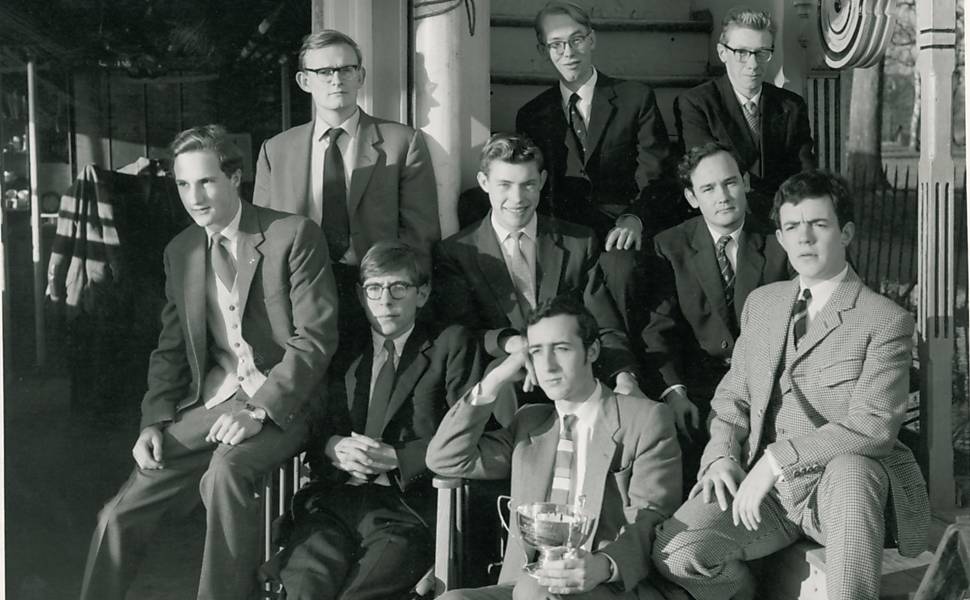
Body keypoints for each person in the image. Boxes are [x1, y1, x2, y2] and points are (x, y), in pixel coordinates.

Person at [79, 124, 339, 600]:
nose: (194, 196)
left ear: (234, 177)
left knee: (226, 472)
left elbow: (315, 340)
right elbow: (171, 347)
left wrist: (259, 409)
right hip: (217, 401)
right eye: (183, 184)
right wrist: (154, 419)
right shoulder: (180, 251)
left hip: (288, 400)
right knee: (121, 511)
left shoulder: (292, 234)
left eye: (206, 181)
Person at [651, 171, 930, 600]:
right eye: (793, 228)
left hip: (837, 492)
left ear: (846, 232)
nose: (805, 239)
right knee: (678, 551)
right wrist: (722, 456)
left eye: (819, 225)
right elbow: (732, 397)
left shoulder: (884, 319)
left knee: (853, 469)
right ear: (779, 238)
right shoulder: (763, 304)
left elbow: (874, 427)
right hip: (767, 496)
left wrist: (776, 461)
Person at [262, 240, 485, 600]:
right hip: (333, 501)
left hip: (405, 510)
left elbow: (470, 435)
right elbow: (314, 424)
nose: (386, 300)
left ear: (422, 293)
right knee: (304, 588)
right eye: (375, 288)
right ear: (361, 294)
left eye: (399, 287)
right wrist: (332, 446)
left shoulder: (451, 345)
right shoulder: (341, 348)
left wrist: (399, 458)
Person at [428, 294, 681, 600]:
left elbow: (652, 516)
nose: (547, 366)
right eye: (536, 352)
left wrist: (604, 565)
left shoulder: (644, 418)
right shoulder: (530, 422)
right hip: (523, 585)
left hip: (606, 586)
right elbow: (445, 458)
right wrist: (495, 379)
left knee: (535, 592)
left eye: (561, 349)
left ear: (592, 350)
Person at [432, 132, 643, 423]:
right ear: (484, 183)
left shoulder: (577, 242)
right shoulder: (457, 252)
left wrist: (624, 375)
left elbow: (604, 324)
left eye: (528, 185)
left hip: (573, 381)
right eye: (504, 185)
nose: (517, 199)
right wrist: (513, 343)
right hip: (510, 386)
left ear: (542, 181)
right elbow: (463, 331)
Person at [253, 29, 439, 333]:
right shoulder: (276, 150)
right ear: (304, 81)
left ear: (360, 76)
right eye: (324, 71)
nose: (336, 79)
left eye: (346, 69)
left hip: (375, 295)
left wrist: (403, 301)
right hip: (299, 295)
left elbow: (421, 234)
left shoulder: (400, 143)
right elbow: (263, 239)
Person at [638, 142, 790, 493]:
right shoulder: (669, 246)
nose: (722, 196)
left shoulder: (779, 241)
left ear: (746, 182)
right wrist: (674, 392)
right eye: (708, 188)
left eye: (730, 182)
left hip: (769, 388)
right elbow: (658, 331)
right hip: (697, 390)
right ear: (692, 197)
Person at [515, 1, 673, 248]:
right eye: (556, 44)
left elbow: (655, 174)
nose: (568, 52)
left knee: (623, 275)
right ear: (543, 50)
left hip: (621, 229)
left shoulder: (635, 98)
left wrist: (635, 218)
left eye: (576, 39)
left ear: (592, 40)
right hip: (562, 235)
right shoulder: (532, 114)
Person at [674, 8, 814, 219]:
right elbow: (710, 171)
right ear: (723, 53)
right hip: (725, 215)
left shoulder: (791, 105)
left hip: (784, 215)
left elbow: (803, 171)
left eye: (761, 53)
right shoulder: (697, 104)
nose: (753, 64)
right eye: (741, 53)